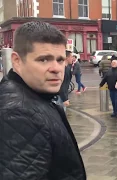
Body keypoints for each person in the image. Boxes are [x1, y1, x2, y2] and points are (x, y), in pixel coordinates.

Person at [0, 21, 86, 179]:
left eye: (60, 60)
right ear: (17, 61)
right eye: (43, 59)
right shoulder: (18, 114)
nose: (56, 68)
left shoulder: (36, 95)